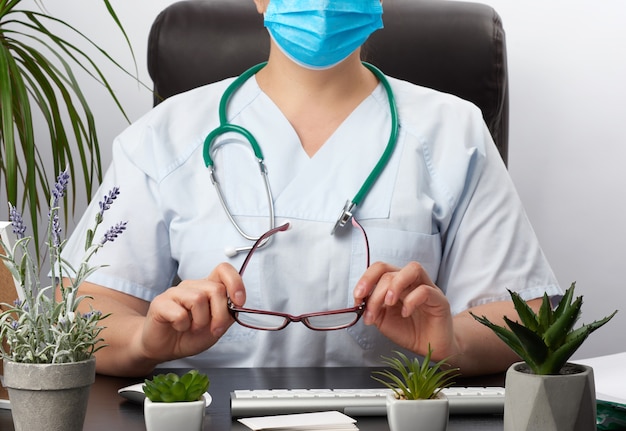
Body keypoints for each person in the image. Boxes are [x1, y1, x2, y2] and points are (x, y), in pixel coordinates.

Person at [61, 0, 561, 378]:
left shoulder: (453, 131)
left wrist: (451, 342)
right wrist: (143, 341)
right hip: (205, 417)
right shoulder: (165, 135)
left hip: (396, 417)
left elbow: (529, 314)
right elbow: (85, 304)